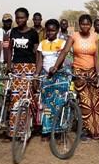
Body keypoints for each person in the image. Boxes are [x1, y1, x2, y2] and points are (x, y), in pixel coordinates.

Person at [51, 14, 99, 140]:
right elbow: (65, 51)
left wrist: (98, 73)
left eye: (87, 24)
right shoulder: (74, 36)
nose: (85, 26)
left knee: (97, 103)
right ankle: (84, 130)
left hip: (92, 72)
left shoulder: (95, 37)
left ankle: (98, 131)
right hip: (78, 72)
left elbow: (96, 56)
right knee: (84, 102)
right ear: (79, 24)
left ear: (91, 25)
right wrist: (56, 66)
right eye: (83, 24)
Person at [34, 19, 69, 140]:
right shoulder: (42, 44)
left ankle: (58, 130)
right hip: (46, 77)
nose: (50, 33)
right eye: (48, 31)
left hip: (59, 76)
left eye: (53, 30)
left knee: (59, 104)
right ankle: (47, 130)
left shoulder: (63, 43)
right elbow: (39, 62)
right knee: (47, 105)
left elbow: (63, 57)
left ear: (58, 30)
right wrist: (36, 75)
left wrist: (55, 68)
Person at [7, 8, 39, 136]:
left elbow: (36, 52)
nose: (19, 20)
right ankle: (14, 130)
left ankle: (26, 129)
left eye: (22, 17)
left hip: (29, 68)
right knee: (15, 99)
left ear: (27, 18)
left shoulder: (33, 33)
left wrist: (36, 70)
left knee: (27, 98)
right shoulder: (13, 31)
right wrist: (9, 65)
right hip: (16, 67)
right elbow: (9, 49)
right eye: (17, 17)